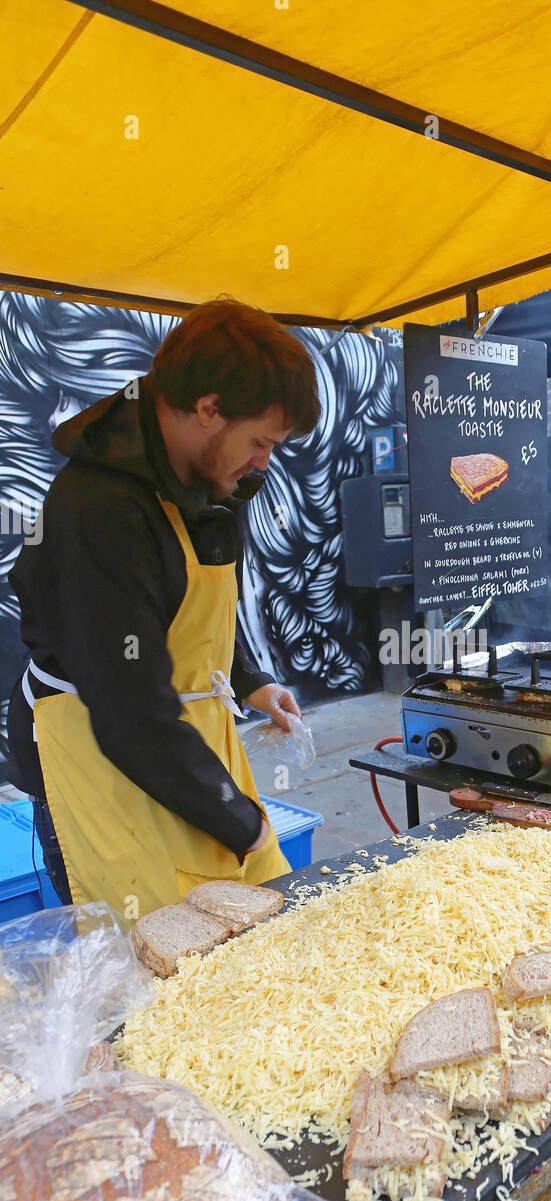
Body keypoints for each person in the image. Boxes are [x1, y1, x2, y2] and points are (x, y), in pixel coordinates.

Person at [7, 297, 321, 920]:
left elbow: (192, 607)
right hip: (102, 739)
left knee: (241, 914)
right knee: (151, 946)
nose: (264, 462)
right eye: (260, 442)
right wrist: (242, 823)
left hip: (176, 731)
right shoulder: (98, 511)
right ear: (208, 410)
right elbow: (129, 711)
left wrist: (252, 681)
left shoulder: (215, 477)